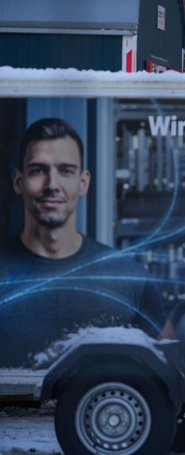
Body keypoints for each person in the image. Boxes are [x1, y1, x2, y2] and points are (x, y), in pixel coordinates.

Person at [0, 118, 173, 367]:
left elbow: (171, 380)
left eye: (66, 171)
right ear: (19, 181)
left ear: (83, 182)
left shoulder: (129, 278)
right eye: (38, 170)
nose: (52, 185)